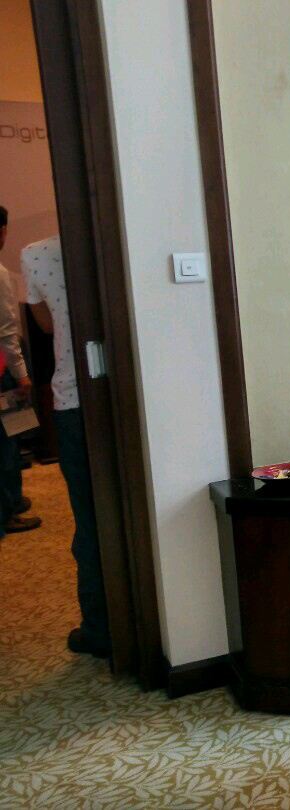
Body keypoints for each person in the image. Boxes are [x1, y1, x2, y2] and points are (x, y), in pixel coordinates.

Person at [22, 234, 110, 659]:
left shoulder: (34, 254)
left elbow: (46, 326)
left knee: (88, 517)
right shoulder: (115, 235)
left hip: (73, 398)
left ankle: (99, 627)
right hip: (127, 393)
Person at [0, 206, 42, 534]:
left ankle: (12, 499)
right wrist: (21, 374)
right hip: (1, 366)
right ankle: (8, 508)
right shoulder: (0, 273)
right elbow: (6, 331)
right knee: (6, 437)